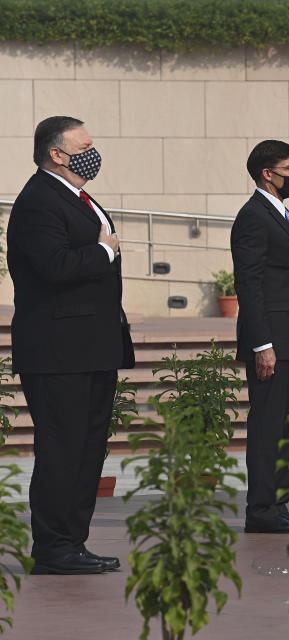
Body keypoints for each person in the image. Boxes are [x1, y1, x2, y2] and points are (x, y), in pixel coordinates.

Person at [7, 116, 134, 574]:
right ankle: (53, 547)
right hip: (58, 350)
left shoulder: (75, 195)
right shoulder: (38, 201)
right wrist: (103, 251)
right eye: (84, 145)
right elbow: (53, 266)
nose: (92, 150)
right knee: (62, 449)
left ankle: (73, 542)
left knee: (87, 448)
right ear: (56, 154)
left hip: (92, 347)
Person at [231, 140, 289, 533]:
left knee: (288, 425)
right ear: (268, 173)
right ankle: (261, 510)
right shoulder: (253, 216)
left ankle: (279, 505)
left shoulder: (282, 214)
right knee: (268, 427)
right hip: (272, 343)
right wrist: (263, 345)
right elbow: (250, 283)